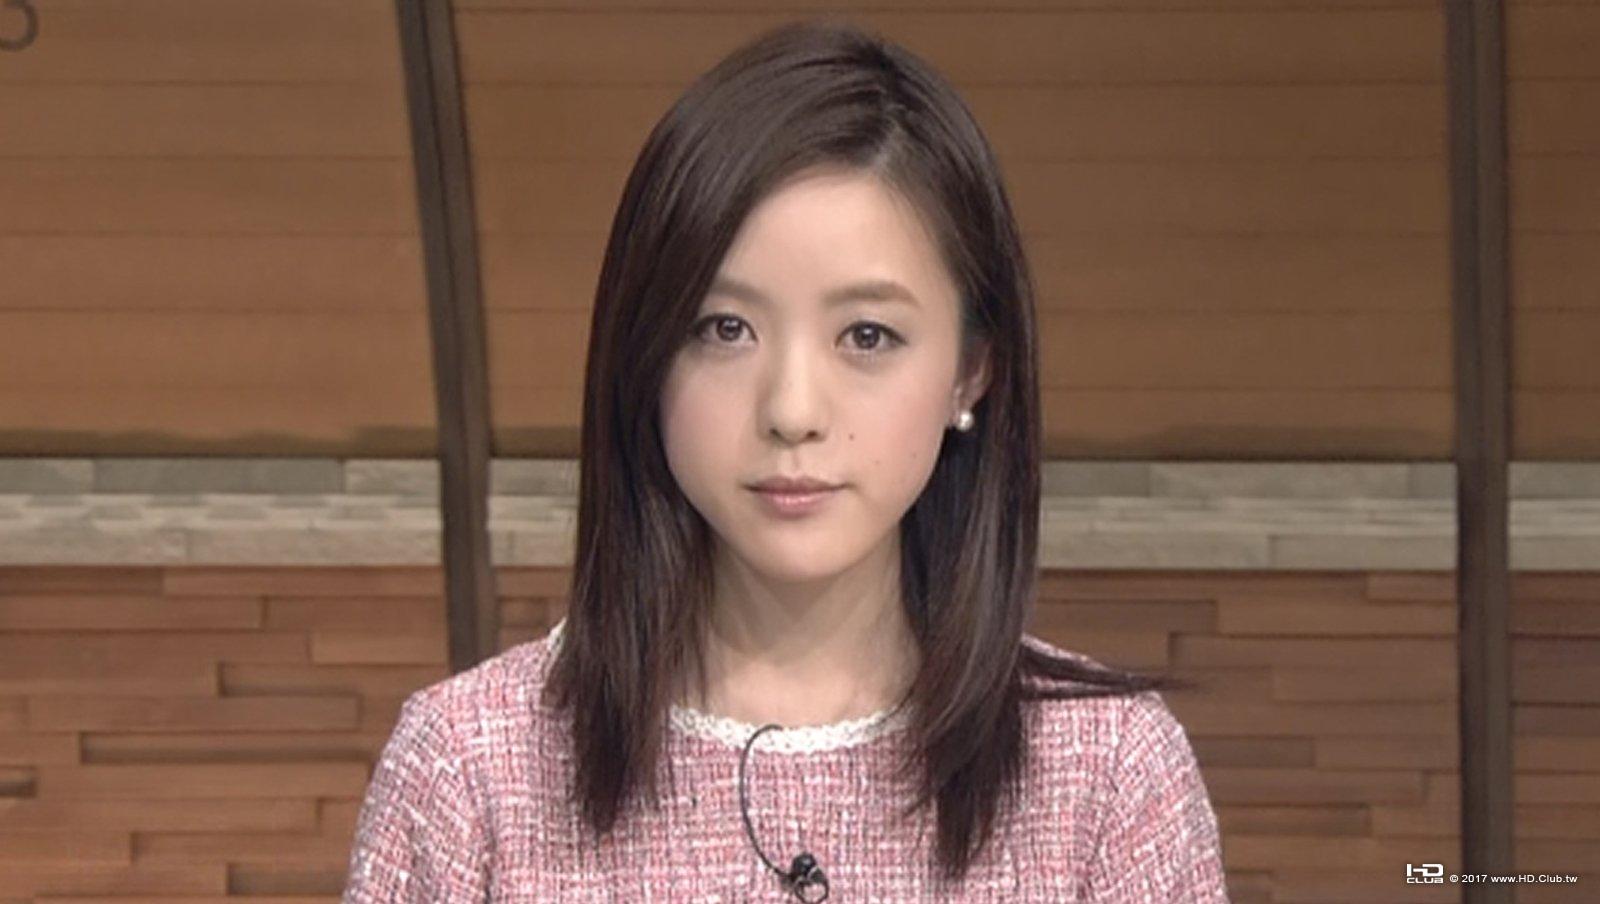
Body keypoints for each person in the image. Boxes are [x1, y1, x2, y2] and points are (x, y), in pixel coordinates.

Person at [343, 18, 1228, 902]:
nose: (792, 411)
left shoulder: (1109, 774)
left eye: (867, 335)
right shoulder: (467, 768)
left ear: (970, 371)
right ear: (644, 354)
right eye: (725, 328)